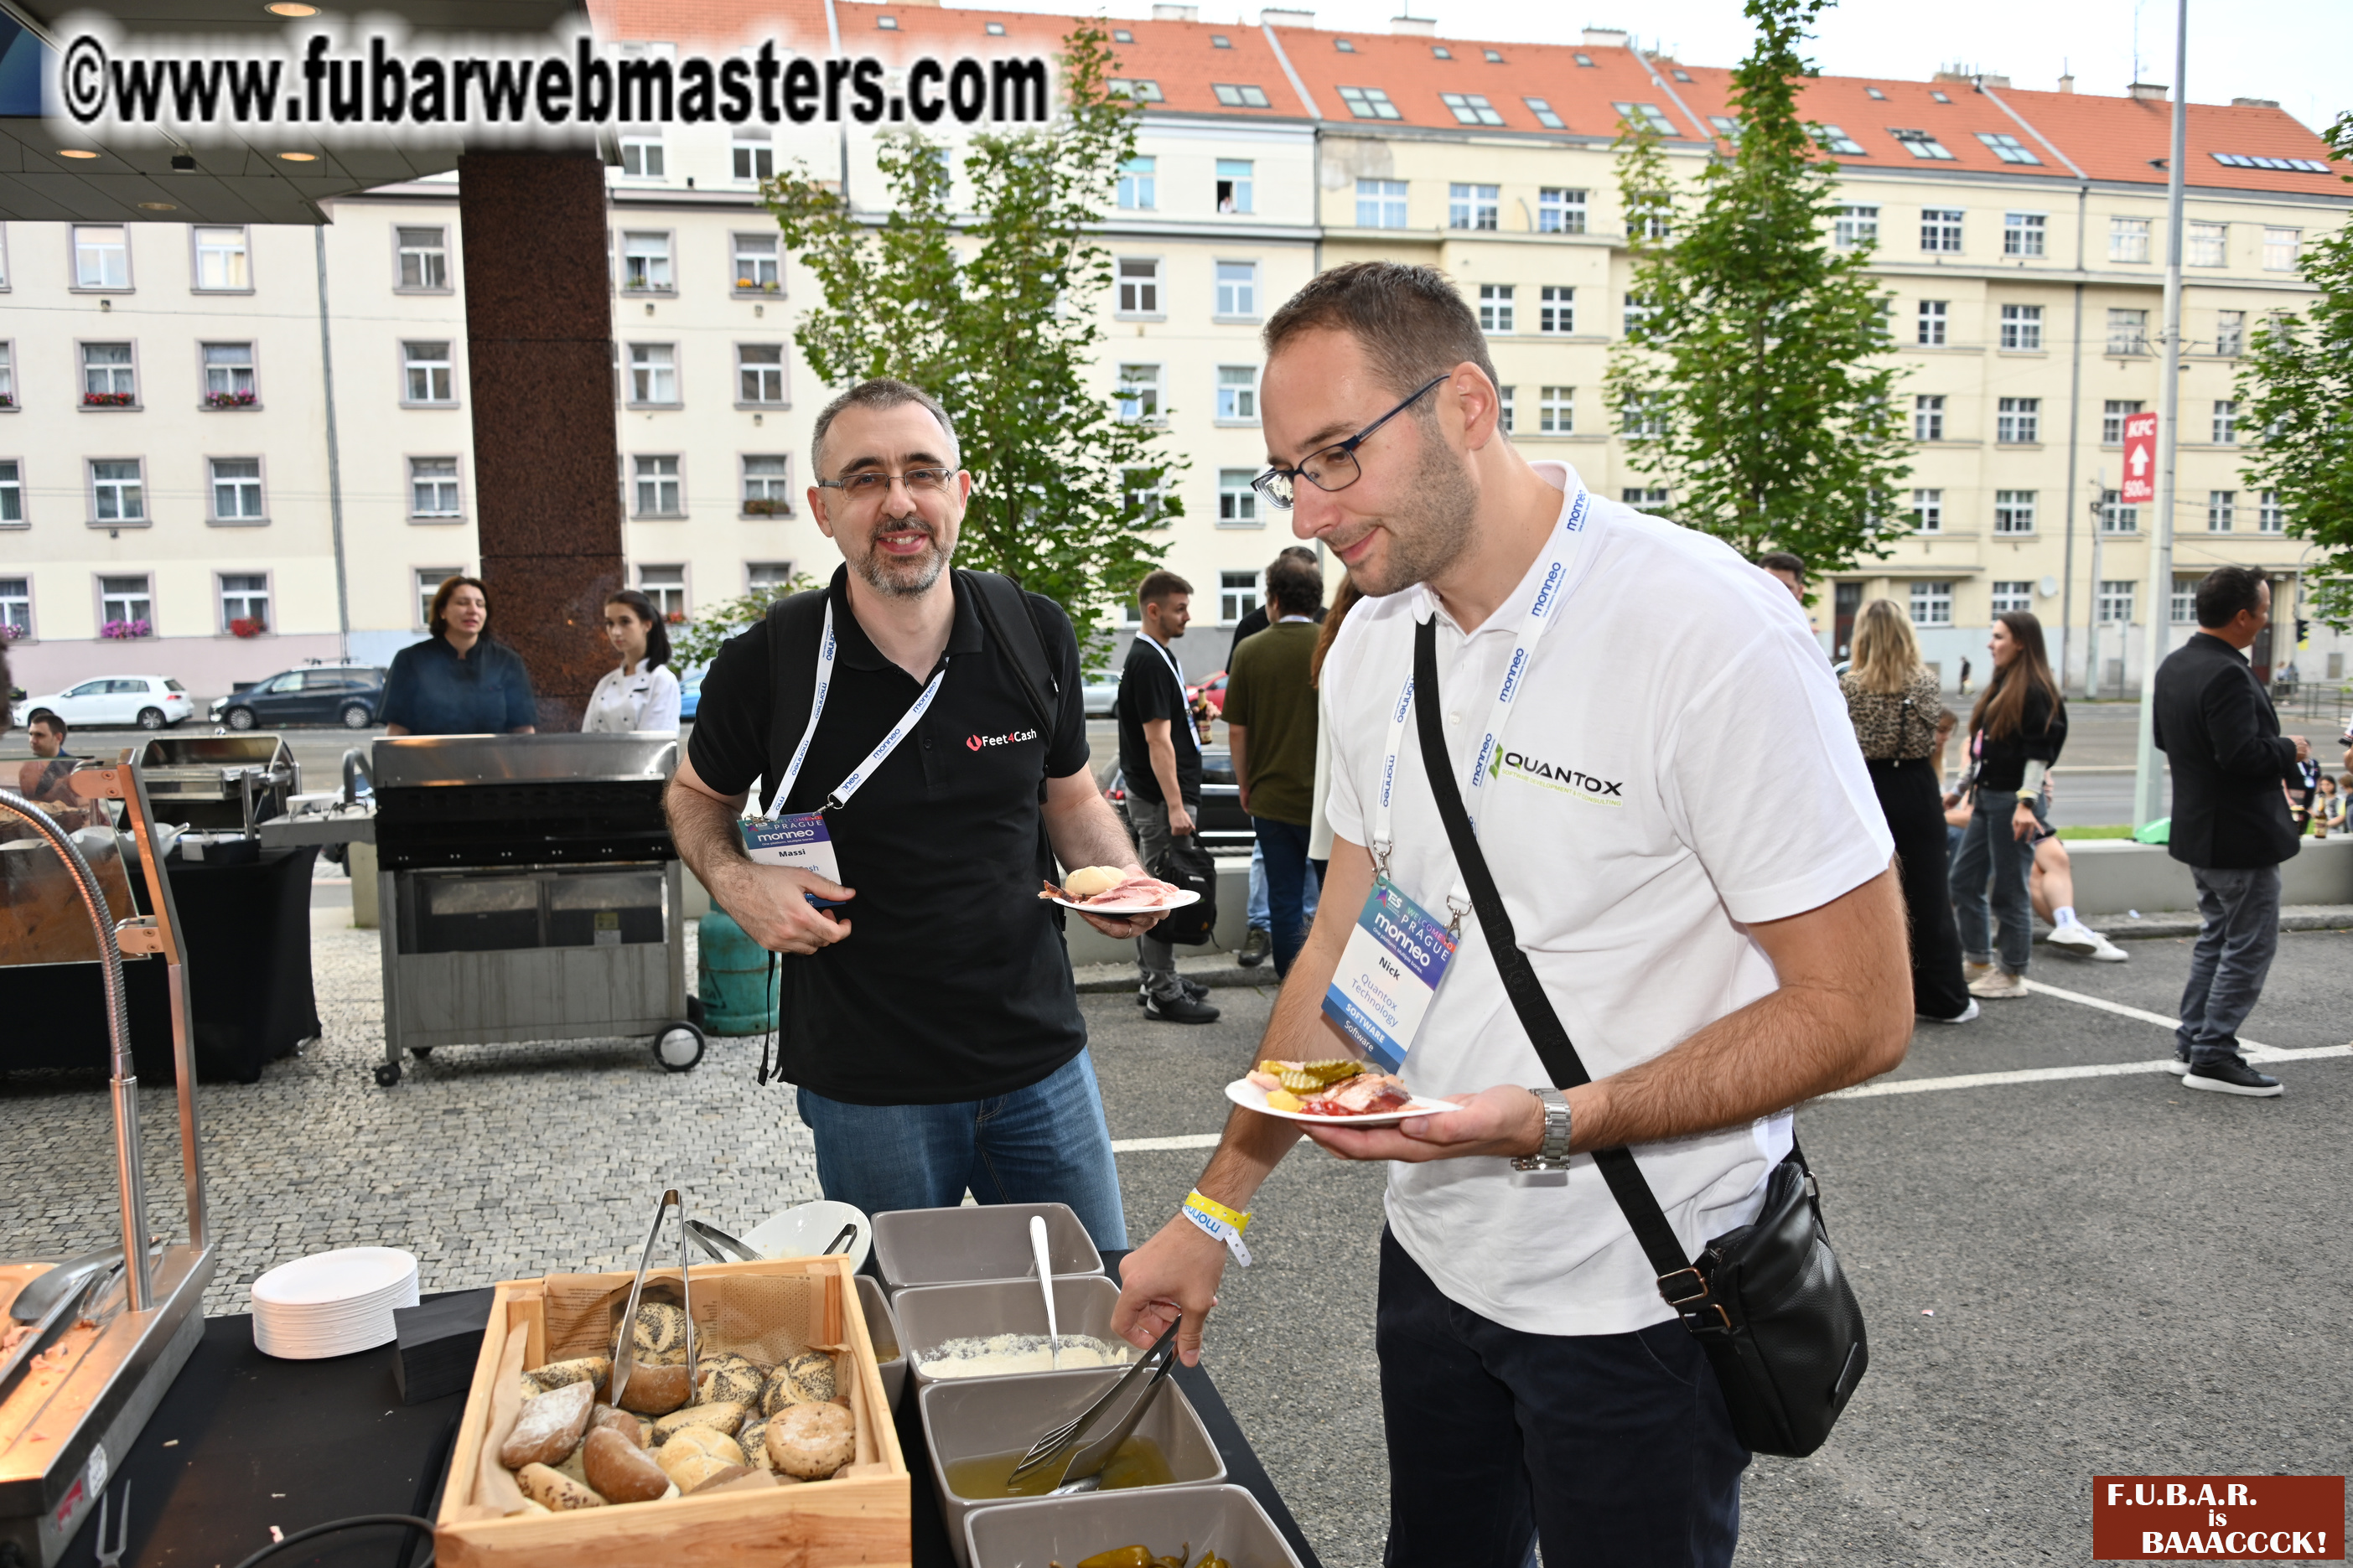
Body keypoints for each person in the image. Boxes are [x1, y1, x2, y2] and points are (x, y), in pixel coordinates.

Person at [1112, 262, 1911, 1568]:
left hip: (1643, 1291)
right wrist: (1213, 1212)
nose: (1310, 510)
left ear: (1465, 405)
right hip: (1434, 1265)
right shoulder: (1371, 641)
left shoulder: (1704, 629)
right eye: (1286, 473)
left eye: (1335, 457)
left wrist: (1549, 1120)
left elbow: (1859, 1009)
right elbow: (1345, 950)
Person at [665, 378, 1159, 1246]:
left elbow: (1072, 794)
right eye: (863, 478)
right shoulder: (771, 660)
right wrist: (736, 882)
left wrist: (1118, 880)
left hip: (1038, 1057)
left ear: (958, 492)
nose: (898, 501)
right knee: (901, 1329)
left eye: (922, 472)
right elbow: (695, 796)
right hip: (867, 1083)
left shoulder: (1032, 631)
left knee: (1093, 1304)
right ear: (822, 509)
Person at [2152, 566, 2308, 1098]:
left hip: (2200, 830)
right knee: (2247, 945)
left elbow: (2164, 739)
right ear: (2243, 616)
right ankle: (2214, 1054)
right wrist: (2290, 750)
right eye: (2264, 610)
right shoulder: (2227, 674)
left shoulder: (2175, 665)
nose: (2266, 620)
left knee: (2216, 937)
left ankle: (2193, 1041)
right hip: (2239, 836)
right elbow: (2241, 757)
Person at [1839, 600, 1973, 1024]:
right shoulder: (1926, 683)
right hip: (1916, 788)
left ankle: (1871, 997)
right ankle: (1941, 996)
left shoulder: (1849, 686)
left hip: (1868, 789)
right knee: (1928, 895)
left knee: (1866, 896)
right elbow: (1931, 741)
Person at [1946, 611, 2066, 1000]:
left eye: (1998, 637)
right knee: (1963, 880)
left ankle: (2012, 972)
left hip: (2012, 804)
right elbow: (1986, 751)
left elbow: (2038, 755)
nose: (1990, 643)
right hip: (1988, 799)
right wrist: (1959, 788)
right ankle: (1979, 960)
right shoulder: (2004, 685)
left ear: (2021, 643)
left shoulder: (2035, 691)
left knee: (2010, 891)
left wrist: (2026, 804)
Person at [1119, 571, 1220, 1023]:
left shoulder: (1161, 657)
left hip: (1163, 797)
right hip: (1162, 801)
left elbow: (1169, 730)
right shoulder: (1149, 661)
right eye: (1180, 608)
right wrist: (1176, 806)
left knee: (1160, 887)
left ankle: (1156, 978)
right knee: (1162, 894)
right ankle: (1164, 990)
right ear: (1154, 610)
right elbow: (1158, 743)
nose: (1188, 615)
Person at [1222, 553, 1324, 978]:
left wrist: (1245, 786)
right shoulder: (1333, 645)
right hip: (1329, 804)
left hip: (1271, 799)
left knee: (1282, 901)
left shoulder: (1249, 650)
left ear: (1274, 600)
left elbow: (1237, 732)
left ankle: (1290, 990)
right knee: (1333, 901)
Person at [381, 576, 538, 737]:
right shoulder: (410, 660)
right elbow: (397, 731)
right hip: (427, 760)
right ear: (442, 611)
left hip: (493, 760)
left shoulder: (507, 661)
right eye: (463, 603)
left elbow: (523, 730)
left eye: (480, 604)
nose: (473, 610)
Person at [582, 588, 682, 734]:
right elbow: (587, 739)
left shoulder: (661, 680)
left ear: (647, 624)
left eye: (625, 622)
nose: (616, 631)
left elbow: (653, 747)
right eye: (610, 623)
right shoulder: (606, 683)